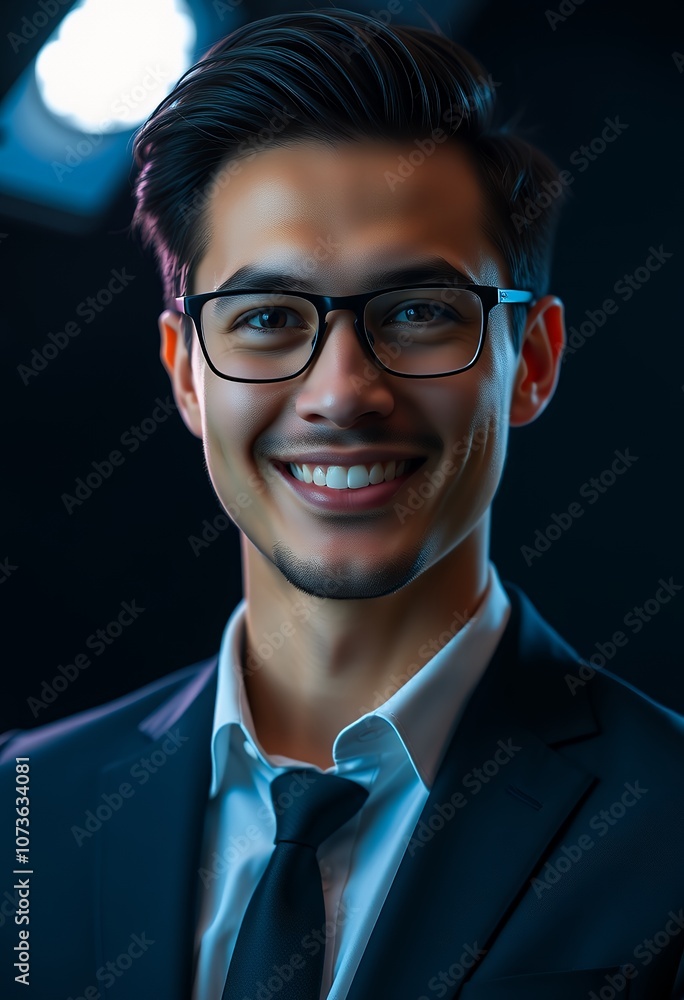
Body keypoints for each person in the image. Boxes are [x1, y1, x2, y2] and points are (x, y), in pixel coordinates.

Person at [2, 9, 683, 999]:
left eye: (417, 313)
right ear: (187, 375)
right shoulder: (24, 808)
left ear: (530, 362)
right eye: (269, 319)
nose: (340, 393)